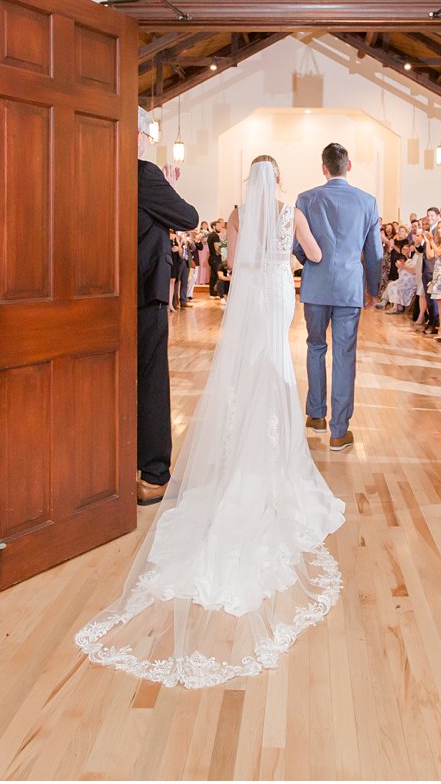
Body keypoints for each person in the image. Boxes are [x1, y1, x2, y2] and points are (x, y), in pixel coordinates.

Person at [76, 156, 346, 689]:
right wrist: (291, 262)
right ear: (281, 180)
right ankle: (271, 450)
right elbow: (312, 254)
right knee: (278, 369)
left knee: (246, 366)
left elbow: (230, 256)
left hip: (250, 294)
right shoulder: (291, 210)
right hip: (277, 293)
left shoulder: (238, 211)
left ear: (250, 180)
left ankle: (235, 440)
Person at [294, 143, 382, 452]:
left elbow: (298, 246)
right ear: (349, 166)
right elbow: (375, 254)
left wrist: (313, 267)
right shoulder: (367, 202)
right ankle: (339, 431)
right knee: (344, 355)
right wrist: (374, 289)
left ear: (324, 167)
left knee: (315, 347)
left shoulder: (306, 199)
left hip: (315, 287)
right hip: (348, 288)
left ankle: (316, 415)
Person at [136, 108, 200, 505]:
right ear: (139, 134)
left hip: (105, 292)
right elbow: (188, 216)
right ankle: (154, 474)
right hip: (144, 292)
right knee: (151, 382)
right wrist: (168, 188)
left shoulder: (91, 164)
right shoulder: (143, 173)